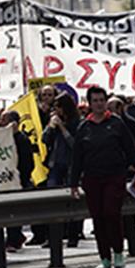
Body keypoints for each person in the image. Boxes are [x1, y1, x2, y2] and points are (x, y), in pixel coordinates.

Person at [70, 86, 135, 268]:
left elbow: (131, 149)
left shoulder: (117, 123)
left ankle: (118, 251)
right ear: (89, 103)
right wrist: (73, 183)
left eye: (101, 100)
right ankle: (105, 258)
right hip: (92, 179)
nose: (98, 104)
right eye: (95, 101)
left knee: (111, 213)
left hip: (114, 176)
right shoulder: (84, 128)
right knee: (98, 218)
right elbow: (77, 158)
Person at [40, 93, 82, 247]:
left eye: (58, 107)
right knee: (53, 202)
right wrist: (51, 126)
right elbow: (44, 140)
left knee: (72, 202)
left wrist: (63, 127)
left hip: (71, 165)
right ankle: (52, 238)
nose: (55, 110)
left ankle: (72, 236)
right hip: (55, 165)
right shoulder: (53, 121)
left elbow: (74, 144)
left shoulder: (76, 122)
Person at [0, 110, 33, 251]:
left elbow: (27, 163)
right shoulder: (1, 140)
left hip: (17, 181)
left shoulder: (21, 140)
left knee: (13, 211)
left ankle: (14, 238)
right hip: (4, 181)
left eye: (3, 120)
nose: (0, 123)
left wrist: (21, 177)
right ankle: (14, 236)